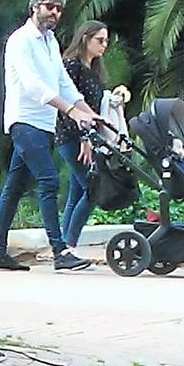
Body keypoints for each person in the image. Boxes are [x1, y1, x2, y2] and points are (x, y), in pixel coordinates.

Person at [0, 0, 101, 272]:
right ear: (35, 6)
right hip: (24, 121)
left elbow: (62, 81)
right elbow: (33, 85)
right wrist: (71, 111)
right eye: (49, 6)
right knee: (49, 180)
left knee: (13, 187)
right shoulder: (20, 40)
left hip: (43, 123)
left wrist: (90, 113)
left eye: (59, 9)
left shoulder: (50, 42)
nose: (54, 12)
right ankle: (60, 251)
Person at [55, 21, 130, 250]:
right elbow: (68, 104)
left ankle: (62, 246)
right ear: (85, 39)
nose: (104, 45)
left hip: (86, 135)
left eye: (106, 40)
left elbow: (94, 105)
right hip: (71, 135)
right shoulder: (72, 66)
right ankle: (69, 245)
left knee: (77, 192)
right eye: (100, 40)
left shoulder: (94, 70)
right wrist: (85, 137)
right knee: (92, 189)